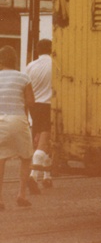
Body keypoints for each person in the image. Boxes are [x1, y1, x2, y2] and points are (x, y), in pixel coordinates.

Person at [0, 45, 35, 209]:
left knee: (1, 159)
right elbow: (31, 102)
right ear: (15, 61)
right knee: (26, 157)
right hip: (18, 119)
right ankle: (21, 194)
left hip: (0, 120)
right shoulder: (23, 78)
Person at [26, 39, 53, 189]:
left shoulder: (30, 66)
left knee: (40, 138)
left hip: (34, 107)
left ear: (38, 50)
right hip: (48, 106)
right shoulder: (54, 65)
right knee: (46, 139)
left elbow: (26, 86)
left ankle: (47, 177)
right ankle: (33, 175)